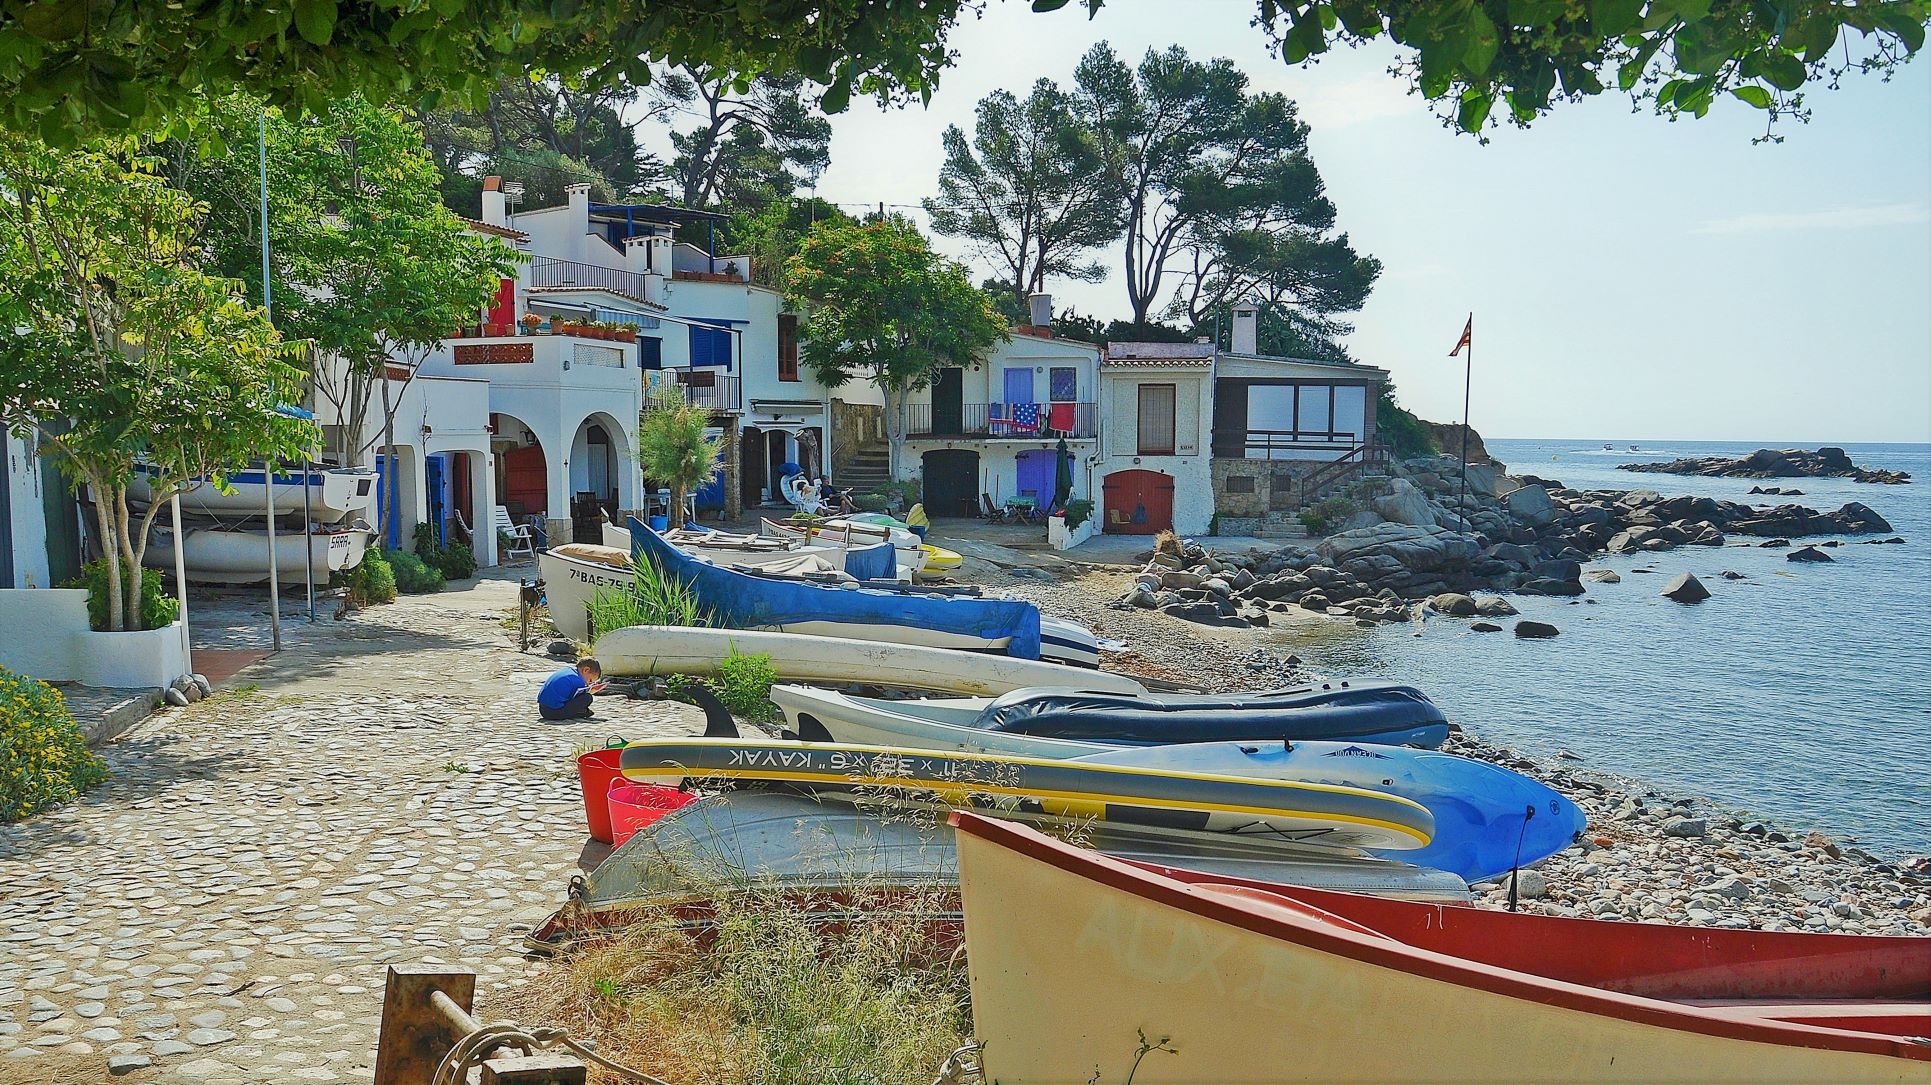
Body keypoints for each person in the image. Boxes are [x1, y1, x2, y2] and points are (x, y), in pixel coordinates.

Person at [538, 658, 603, 721]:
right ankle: (580, 712)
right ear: (586, 670)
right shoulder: (578, 681)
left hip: (542, 708)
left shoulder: (568, 670)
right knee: (587, 698)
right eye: (590, 681)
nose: (588, 684)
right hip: (553, 712)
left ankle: (581, 712)